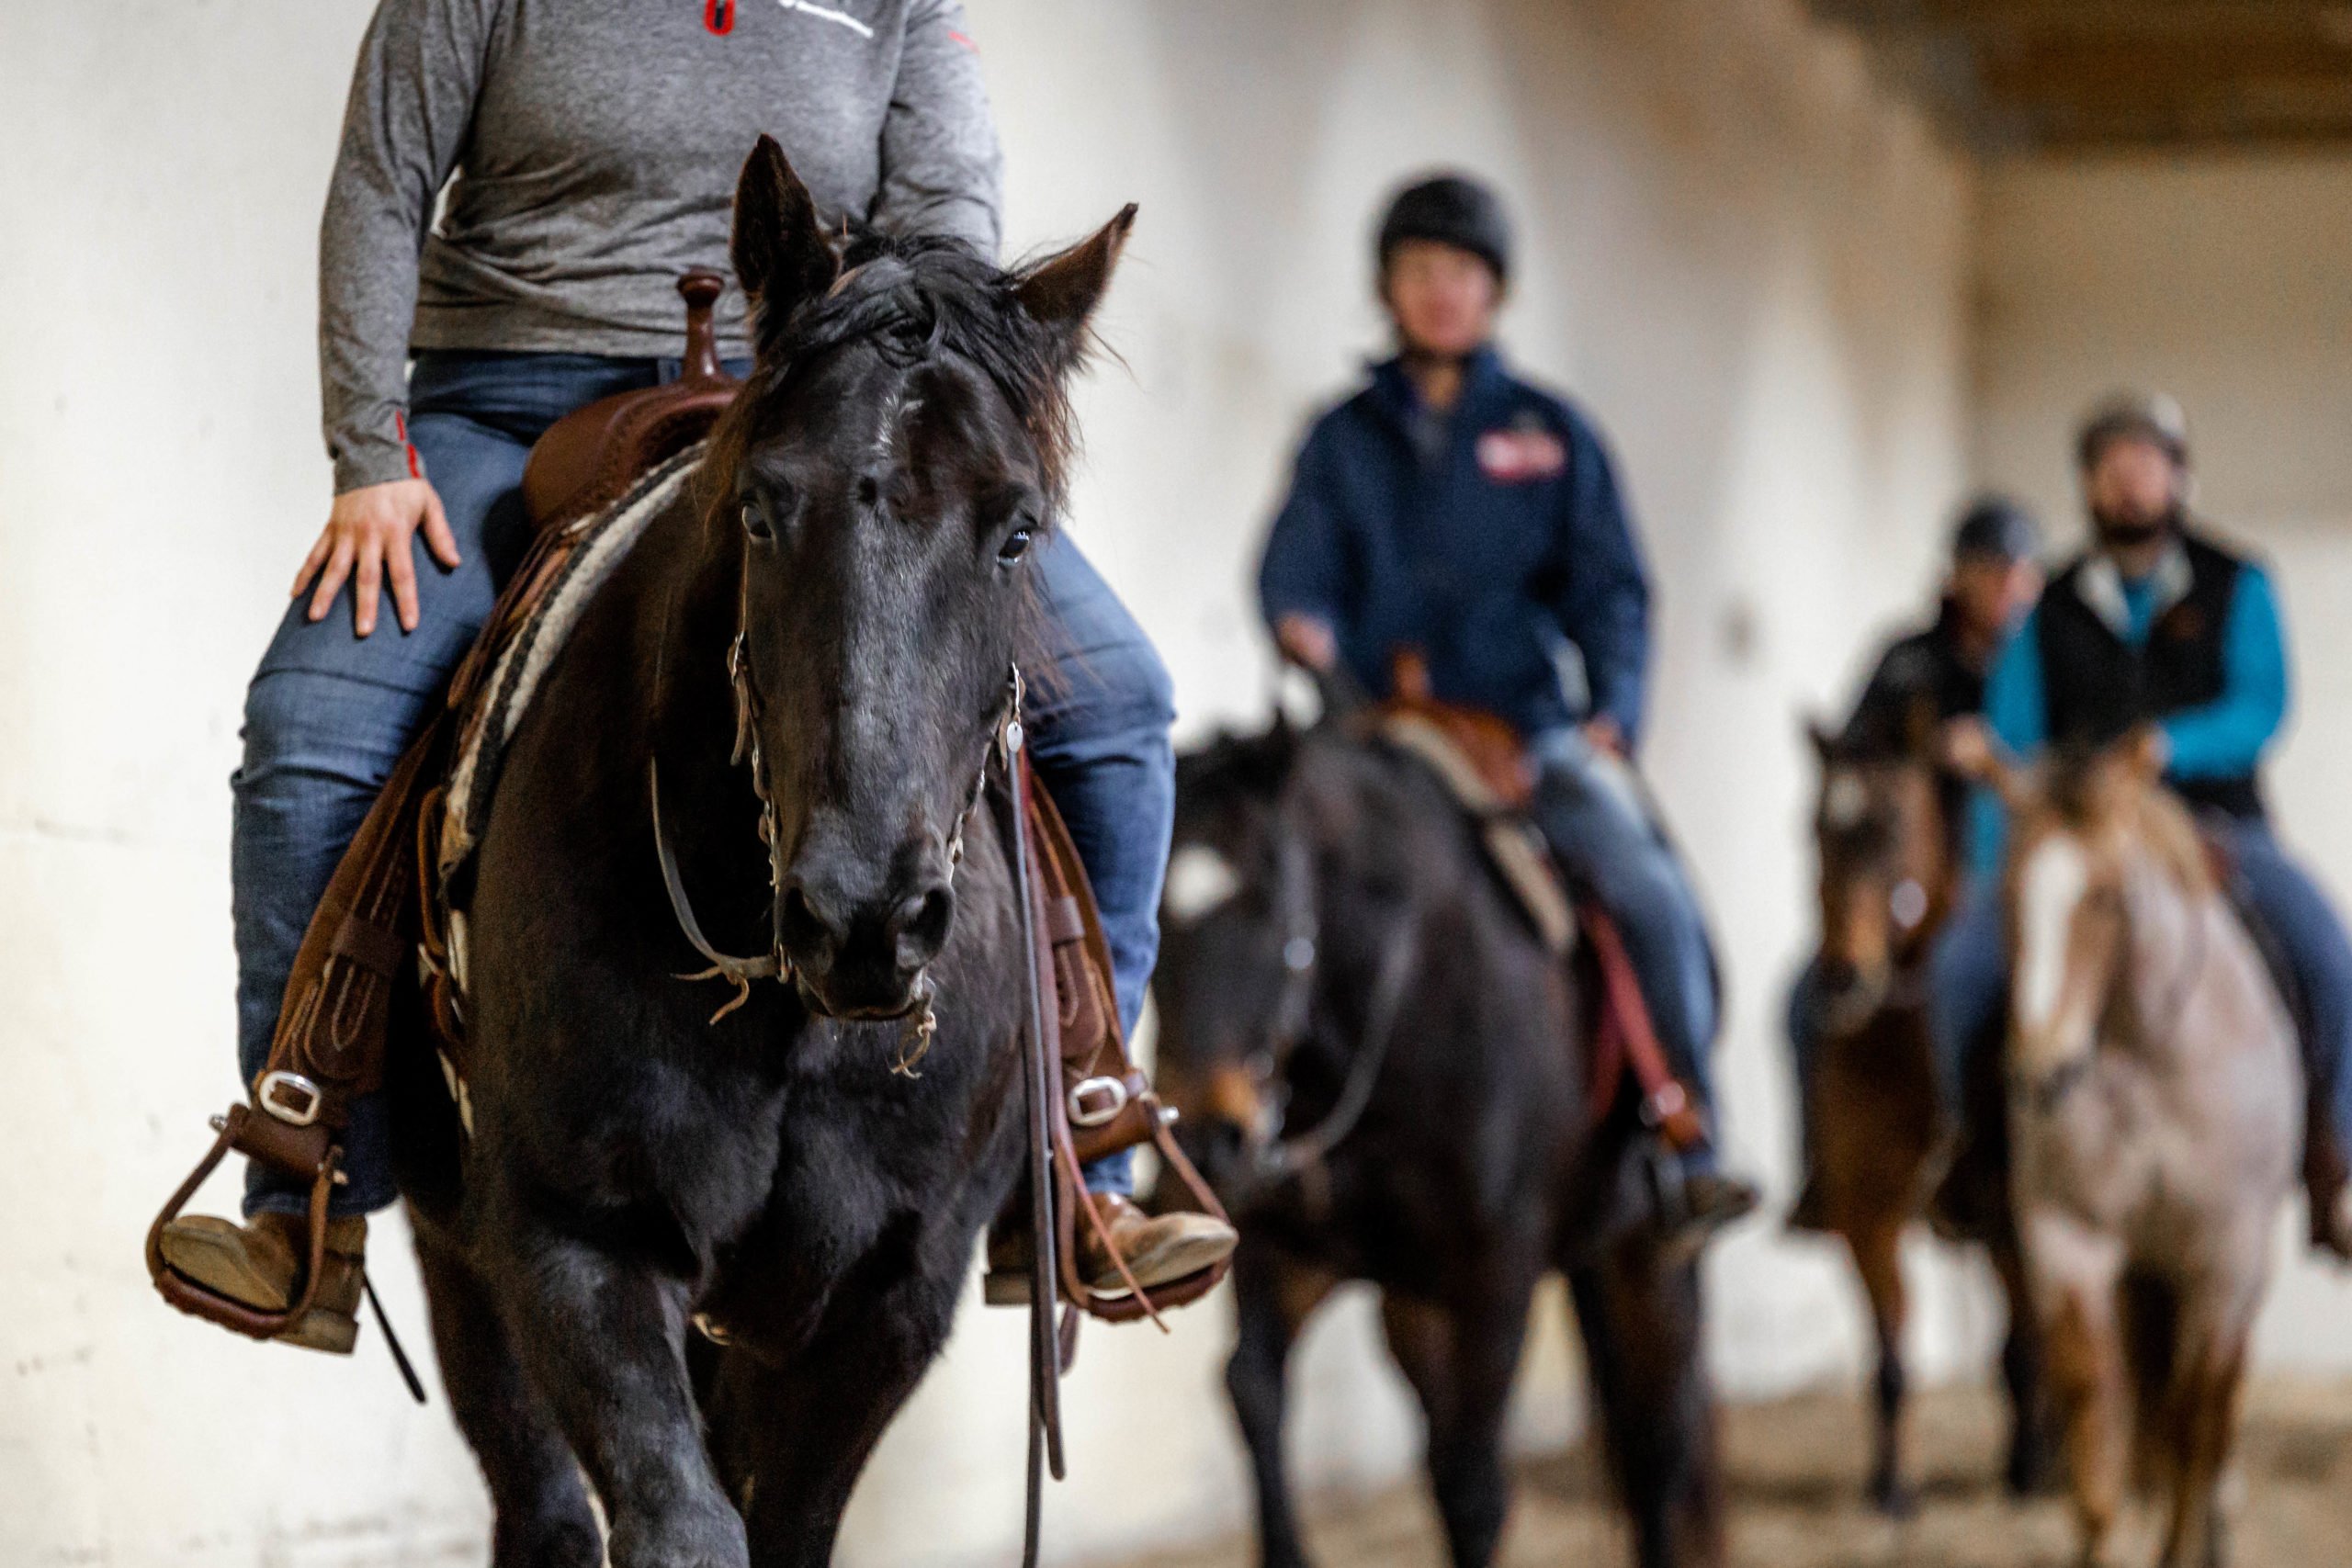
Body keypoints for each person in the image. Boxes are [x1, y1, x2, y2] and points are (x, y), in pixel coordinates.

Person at [157, 0, 1234, 1353]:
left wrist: (896, 377)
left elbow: (951, 212)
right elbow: (382, 184)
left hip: (820, 395)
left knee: (1120, 701)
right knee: (315, 721)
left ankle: (1082, 1154)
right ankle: (304, 1172)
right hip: (508, 395)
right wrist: (372, 458)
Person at [1258, 172, 1757, 1249]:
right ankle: (1241, 1132)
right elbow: (1291, 569)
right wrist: (1299, 621)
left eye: (1462, 273)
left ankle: (1687, 1135)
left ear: (1495, 292)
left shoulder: (1552, 435)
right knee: (1252, 873)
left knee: (1642, 886)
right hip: (1378, 736)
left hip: (1526, 739)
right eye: (1420, 270)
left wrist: (1613, 709)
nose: (1441, 292)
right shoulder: (1340, 438)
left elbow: (1613, 590)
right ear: (1386, 288)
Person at [1931, 391, 2352, 1258]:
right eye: (2110, 464)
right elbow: (2014, 733)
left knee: (2326, 956)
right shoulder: (2047, 606)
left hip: (2213, 828)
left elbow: (2263, 704)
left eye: (2145, 461)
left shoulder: (2240, 580)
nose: (2128, 480)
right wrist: (1989, 867)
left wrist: (2173, 745)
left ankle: (2335, 1164)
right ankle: (1973, 1165)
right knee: (1960, 971)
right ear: (2088, 484)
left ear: (2177, 474)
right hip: (2077, 838)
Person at [1783, 498, 2041, 1228]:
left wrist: (1998, 762)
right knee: (1803, 1001)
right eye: (1986, 572)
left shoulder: (2050, 666)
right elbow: (1854, 758)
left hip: (2010, 881)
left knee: (1966, 986)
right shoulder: (1906, 660)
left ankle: (1980, 1164)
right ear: (1955, 577)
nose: (2001, 589)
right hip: (1906, 883)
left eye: (2014, 574)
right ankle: (1822, 1173)